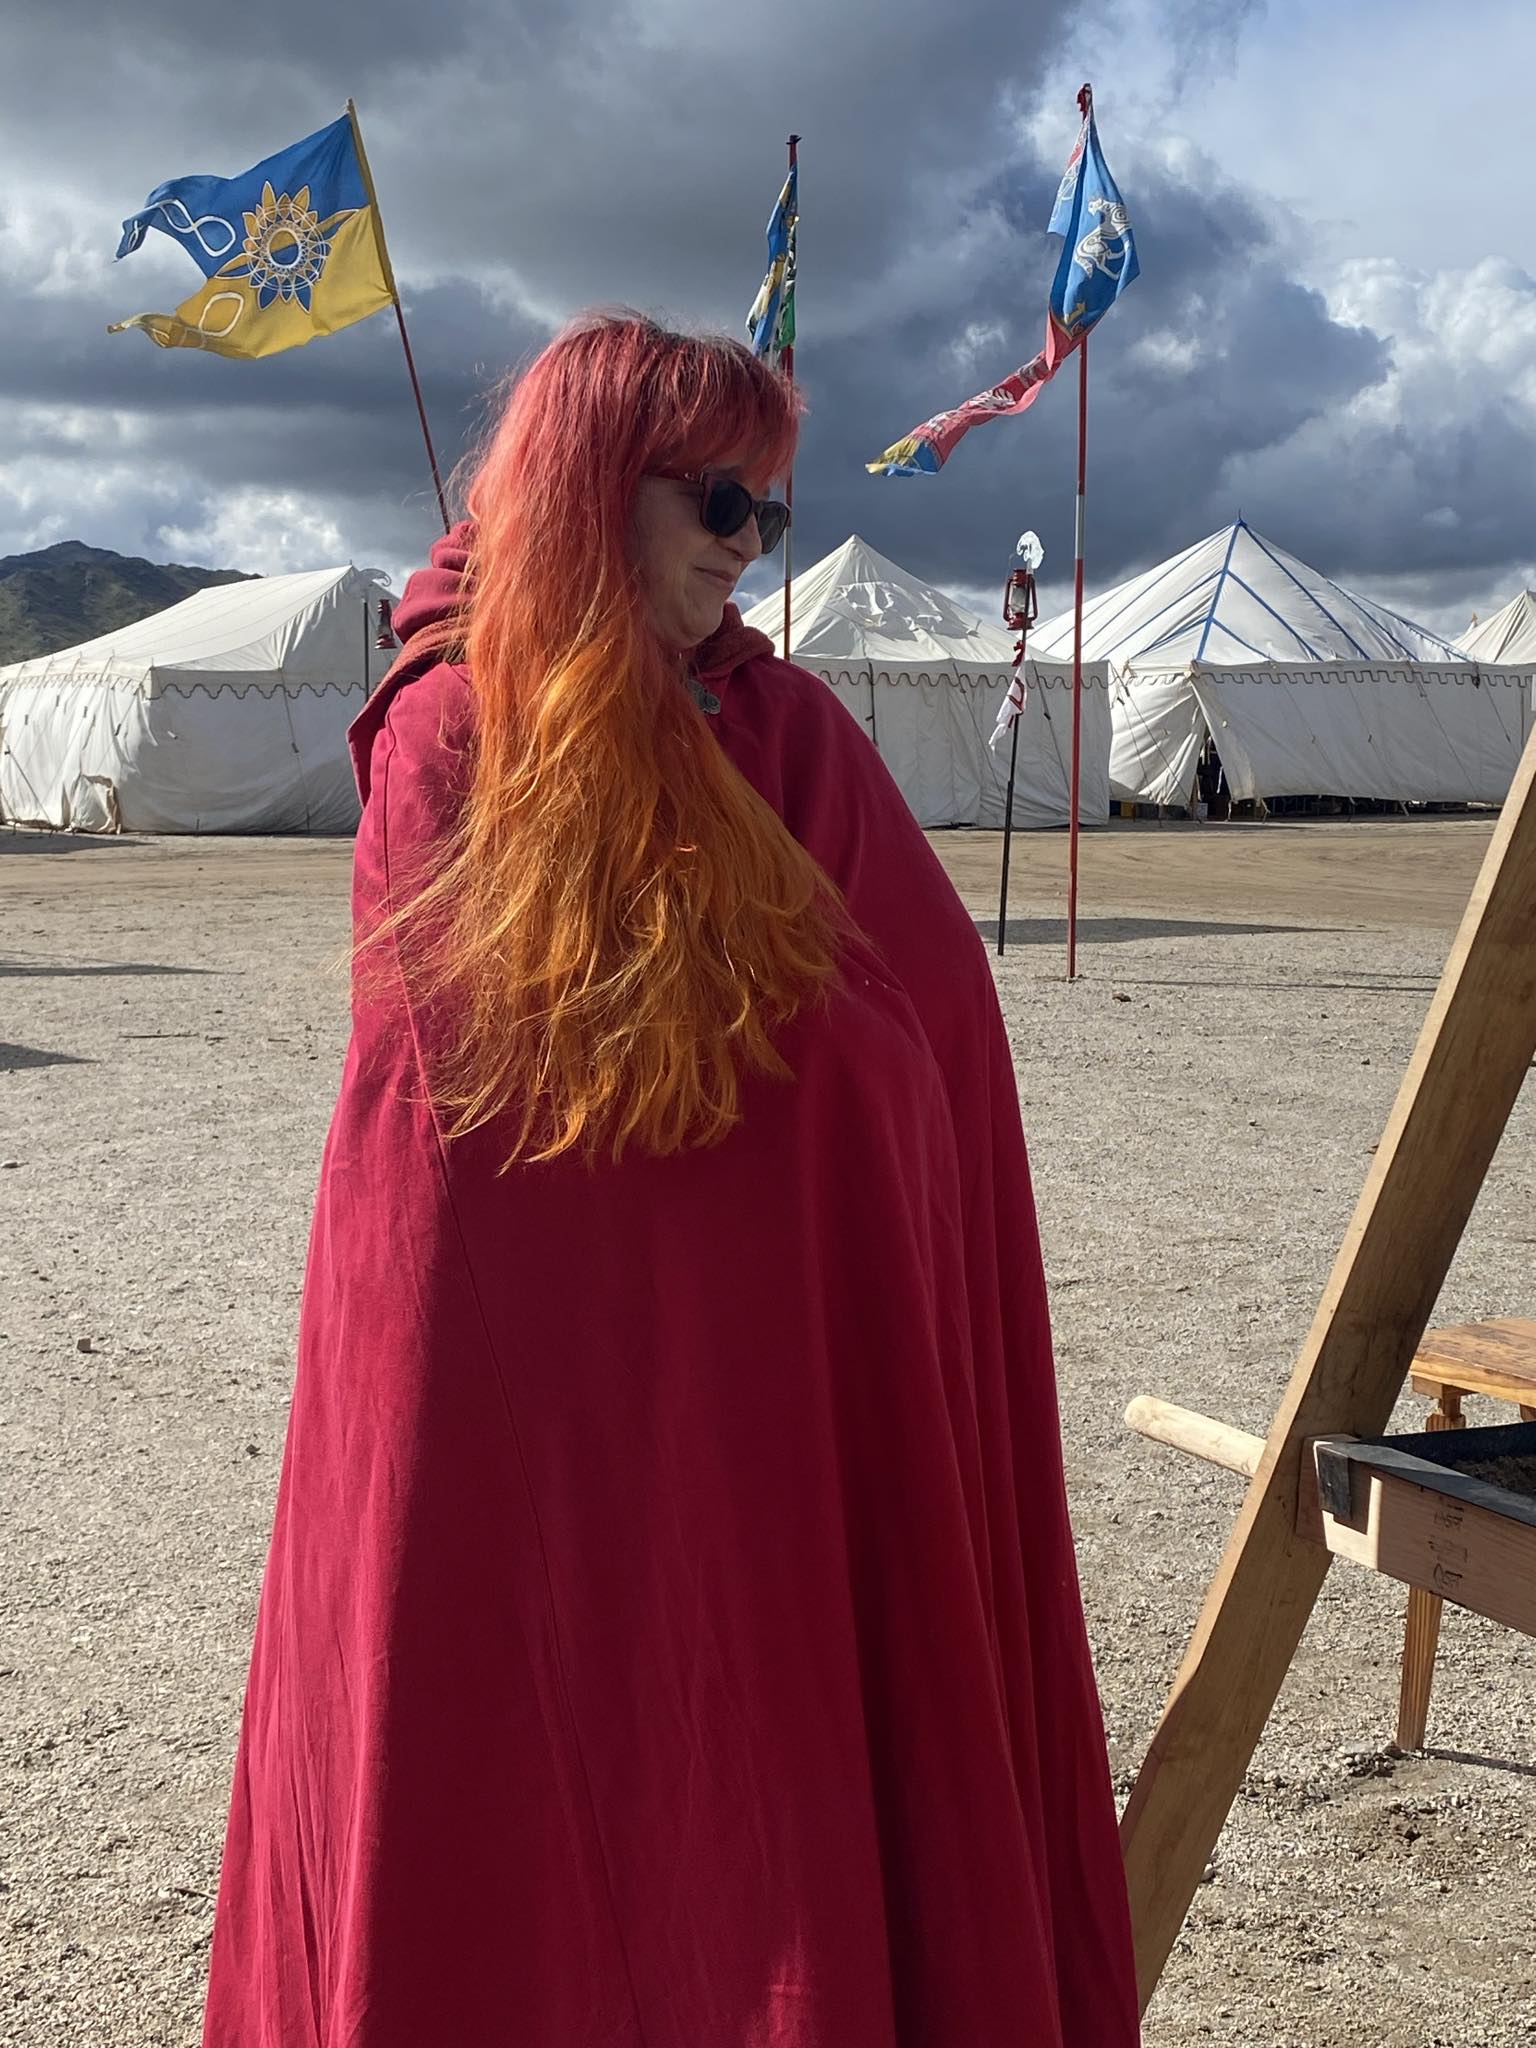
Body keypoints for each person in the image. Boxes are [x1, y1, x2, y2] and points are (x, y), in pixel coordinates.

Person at [201, 313, 1140, 2047]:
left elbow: (920, 1031)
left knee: (756, 1761)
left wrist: (846, 1112)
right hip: (510, 1398)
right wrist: (818, 1082)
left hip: (771, 1374)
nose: (744, 543)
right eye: (717, 496)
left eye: (768, 512)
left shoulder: (783, 728)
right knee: (496, 1752)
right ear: (586, 483)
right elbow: (498, 1090)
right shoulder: (448, 720)